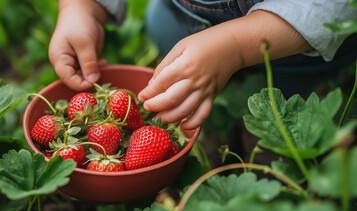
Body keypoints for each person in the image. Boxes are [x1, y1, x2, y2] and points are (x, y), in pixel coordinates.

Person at [48, 0, 357, 130]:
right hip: (184, 15)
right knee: (164, 28)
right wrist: (81, 7)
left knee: (288, 106)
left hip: (291, 41)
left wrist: (236, 47)